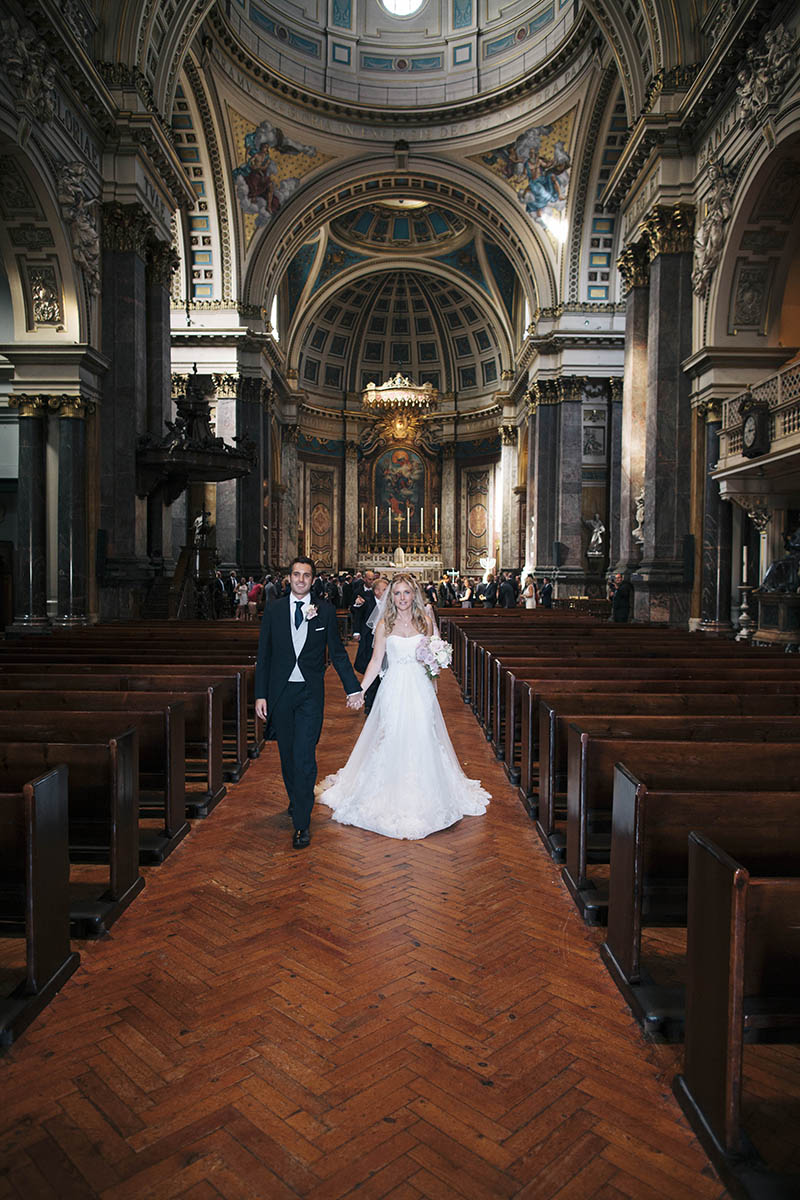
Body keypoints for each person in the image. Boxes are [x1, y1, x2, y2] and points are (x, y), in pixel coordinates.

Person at [317, 573, 490, 840]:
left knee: (422, 736)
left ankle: (426, 794)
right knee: (394, 736)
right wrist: (360, 691)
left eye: (406, 593)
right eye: (396, 593)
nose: (401, 598)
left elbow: (433, 658)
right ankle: (390, 792)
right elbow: (376, 662)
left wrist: (434, 679)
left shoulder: (426, 622)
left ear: (414, 594)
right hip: (394, 687)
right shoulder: (386, 623)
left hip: (420, 689)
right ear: (391, 596)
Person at [255, 556, 363, 850]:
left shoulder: (325, 611)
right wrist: (260, 695)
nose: (301, 579)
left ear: (313, 580)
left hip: (310, 695)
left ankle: (302, 824)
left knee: (304, 758)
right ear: (289, 578)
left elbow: (338, 654)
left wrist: (353, 689)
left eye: (306, 575)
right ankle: (296, 799)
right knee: (288, 758)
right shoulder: (275, 610)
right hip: (280, 694)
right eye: (296, 574)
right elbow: (264, 654)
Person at [354, 575, 388, 715]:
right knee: (372, 670)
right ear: (377, 591)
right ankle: (369, 703)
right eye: (384, 589)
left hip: (386, 642)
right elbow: (357, 614)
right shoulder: (366, 600)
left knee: (385, 672)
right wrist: (356, 632)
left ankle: (383, 702)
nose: (387, 592)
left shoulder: (391, 603)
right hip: (369, 642)